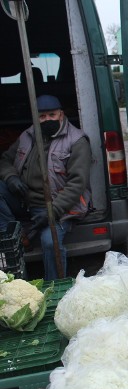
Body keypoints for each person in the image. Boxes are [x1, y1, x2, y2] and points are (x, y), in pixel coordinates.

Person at [0, 95, 91, 280]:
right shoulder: (28, 135)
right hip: (25, 201)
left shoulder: (77, 141)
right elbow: (4, 160)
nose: (47, 119)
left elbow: (77, 184)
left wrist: (52, 211)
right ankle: (17, 236)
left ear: (61, 114)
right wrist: (11, 178)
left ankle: (54, 290)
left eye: (52, 114)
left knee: (50, 243)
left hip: (59, 207)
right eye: (42, 116)